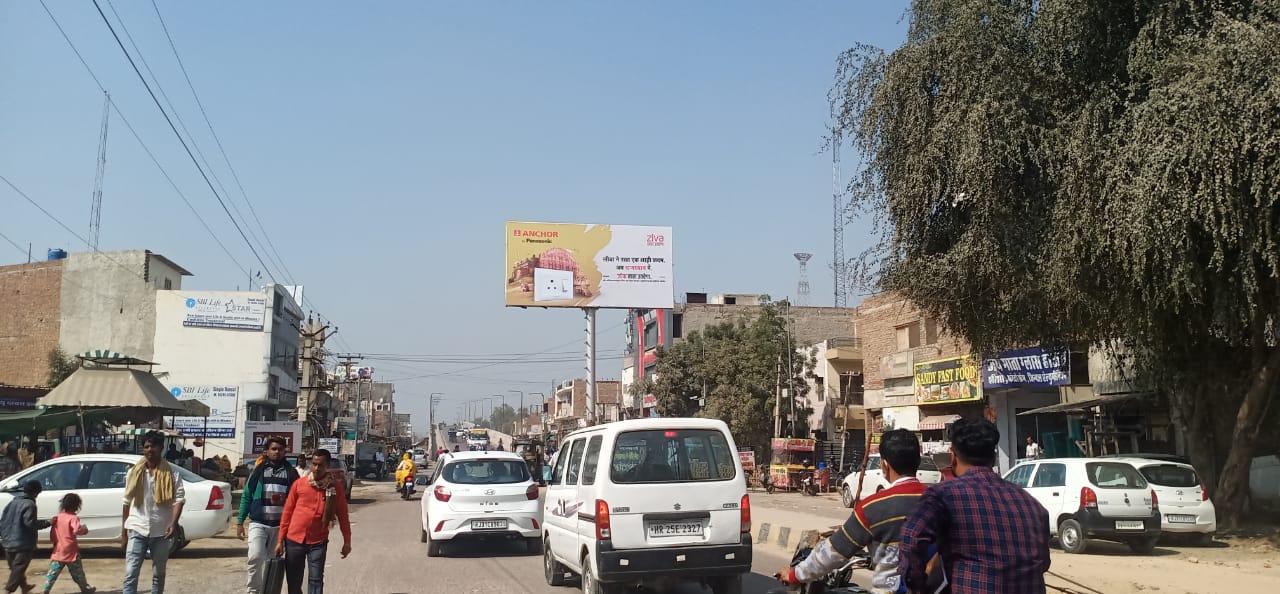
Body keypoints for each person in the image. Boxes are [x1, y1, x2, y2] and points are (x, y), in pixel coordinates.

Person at [775, 430, 940, 594]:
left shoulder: (873, 507)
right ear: (917, 461)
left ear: (885, 465)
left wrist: (794, 574)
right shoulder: (941, 502)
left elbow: (832, 553)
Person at [899, 418, 1051, 593]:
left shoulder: (943, 496)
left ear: (953, 456)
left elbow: (911, 539)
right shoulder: (1031, 504)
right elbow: (1043, 562)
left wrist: (916, 585)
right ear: (993, 458)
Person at [275, 449, 351, 594]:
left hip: (318, 541)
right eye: (314, 464)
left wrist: (347, 541)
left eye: (320, 465)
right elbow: (287, 512)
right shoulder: (299, 484)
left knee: (316, 580)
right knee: (294, 581)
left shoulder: (334, 488)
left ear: (327, 465)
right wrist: (280, 539)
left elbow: (343, 516)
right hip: (294, 540)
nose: (316, 468)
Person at [121, 431, 185, 594]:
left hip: (161, 531)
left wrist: (173, 523)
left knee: (159, 574)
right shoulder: (134, 473)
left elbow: (179, 500)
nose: (150, 449)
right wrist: (124, 534)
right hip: (137, 528)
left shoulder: (172, 473)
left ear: (161, 448)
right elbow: (126, 502)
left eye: (153, 446)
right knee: (130, 573)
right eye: (146, 446)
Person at [238, 437, 300, 594]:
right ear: (266, 451)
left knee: (273, 563)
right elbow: (247, 496)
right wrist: (240, 522)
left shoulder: (291, 474)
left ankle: (270, 590)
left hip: (280, 527)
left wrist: (284, 501)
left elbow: (298, 501)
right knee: (255, 557)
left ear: (285, 451)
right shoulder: (258, 472)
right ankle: (253, 591)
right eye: (273, 449)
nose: (277, 452)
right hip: (258, 523)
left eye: (280, 449)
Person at [1, 480, 51, 594]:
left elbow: (3, 521)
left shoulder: (12, 503)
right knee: (19, 568)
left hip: (8, 541)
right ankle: (8, 590)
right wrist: (47, 523)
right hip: (23, 543)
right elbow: (30, 523)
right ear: (36, 493)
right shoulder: (30, 505)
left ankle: (24, 587)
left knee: (16, 568)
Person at [42, 493, 95, 594]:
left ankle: (46, 589)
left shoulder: (57, 517)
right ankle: (85, 588)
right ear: (76, 506)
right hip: (71, 550)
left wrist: (54, 542)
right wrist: (84, 529)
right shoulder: (73, 518)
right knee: (78, 572)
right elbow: (76, 530)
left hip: (58, 549)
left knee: (53, 572)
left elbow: (53, 534)